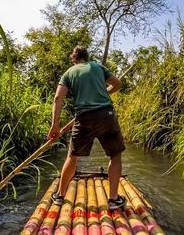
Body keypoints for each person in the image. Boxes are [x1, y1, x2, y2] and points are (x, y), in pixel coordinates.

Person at [47, 46, 126, 210]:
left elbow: (58, 98)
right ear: (87, 57)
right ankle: (113, 199)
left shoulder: (69, 73)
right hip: (106, 115)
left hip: (84, 118)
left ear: (74, 58)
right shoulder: (98, 67)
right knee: (115, 155)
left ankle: (60, 196)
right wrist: (105, 92)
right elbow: (118, 84)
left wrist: (55, 125)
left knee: (73, 156)